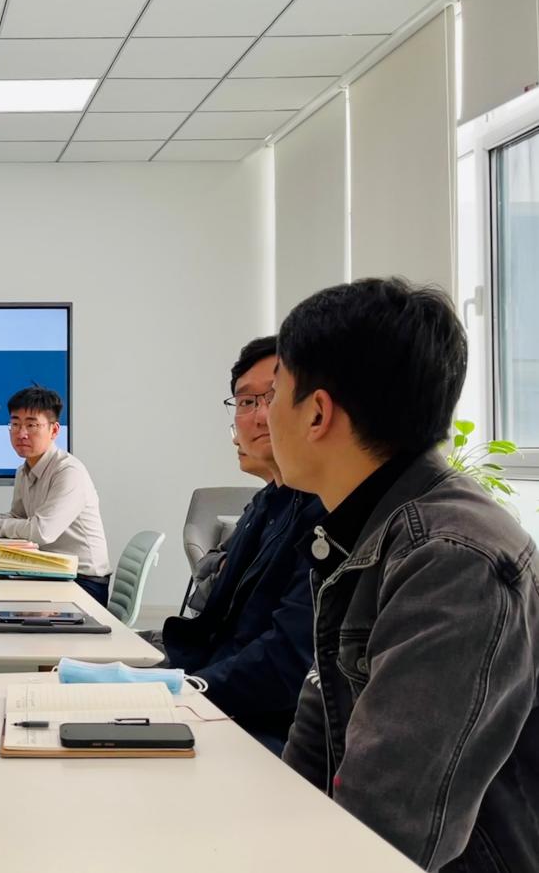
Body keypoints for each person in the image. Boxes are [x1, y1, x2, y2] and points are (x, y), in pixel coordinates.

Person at [270, 278, 539, 872]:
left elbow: (382, 833)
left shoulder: (453, 560)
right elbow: (313, 748)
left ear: (317, 413)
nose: (263, 418)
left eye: (272, 394)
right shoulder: (368, 529)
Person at [148, 336, 322, 753]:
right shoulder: (268, 503)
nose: (260, 416)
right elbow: (218, 628)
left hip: (257, 730)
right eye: (246, 402)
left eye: (273, 397)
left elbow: (285, 663)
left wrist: (180, 692)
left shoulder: (324, 510)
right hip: (217, 696)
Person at [0, 386, 111, 605]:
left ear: (54, 430)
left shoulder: (69, 472)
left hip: (83, 582)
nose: (21, 433)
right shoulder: (24, 470)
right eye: (15, 424)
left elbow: (41, 531)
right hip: (48, 571)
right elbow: (18, 517)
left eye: (31, 425)